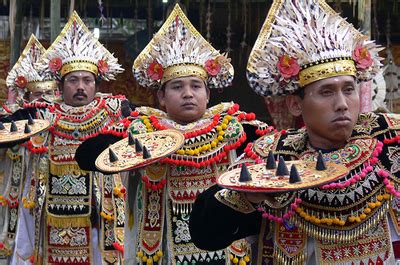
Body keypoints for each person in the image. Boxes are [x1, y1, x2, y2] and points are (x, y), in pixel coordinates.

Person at [189, 0, 400, 264]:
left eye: (349, 89)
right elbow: (205, 234)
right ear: (295, 104)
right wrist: (248, 195)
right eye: (326, 92)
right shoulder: (272, 156)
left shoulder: (389, 142)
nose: (342, 103)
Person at [76, 4, 269, 264]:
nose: (188, 93)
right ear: (161, 97)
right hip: (162, 248)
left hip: (225, 247)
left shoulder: (236, 128)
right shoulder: (142, 127)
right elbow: (86, 156)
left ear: (208, 94)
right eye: (177, 86)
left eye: (196, 86)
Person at [1, 11, 129, 264]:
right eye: (73, 80)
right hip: (48, 210)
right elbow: (7, 129)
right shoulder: (41, 112)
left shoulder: (116, 110)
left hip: (99, 213)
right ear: (60, 84)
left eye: (87, 80)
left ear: (96, 84)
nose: (80, 86)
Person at [0, 34, 58, 263]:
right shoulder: (19, 120)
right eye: (37, 95)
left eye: (49, 94)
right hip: (21, 187)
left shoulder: (60, 118)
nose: (44, 100)